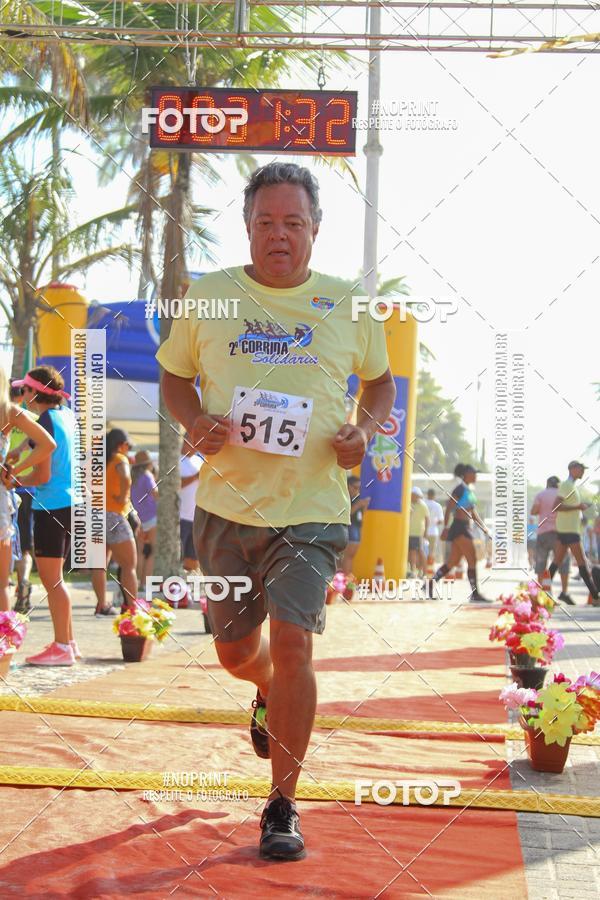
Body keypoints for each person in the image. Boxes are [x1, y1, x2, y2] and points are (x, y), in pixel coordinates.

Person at [157, 162, 395, 861]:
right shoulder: (211, 296)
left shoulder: (349, 304)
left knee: (295, 645)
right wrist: (192, 419)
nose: (279, 235)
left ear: (315, 230)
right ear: (248, 228)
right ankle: (262, 690)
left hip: (313, 509)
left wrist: (366, 430)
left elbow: (378, 387)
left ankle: (282, 804)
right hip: (228, 507)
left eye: (294, 223)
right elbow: (175, 375)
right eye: (266, 222)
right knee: (238, 656)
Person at [7, 367, 80, 664]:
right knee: (57, 580)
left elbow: (44, 473)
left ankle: (62, 646)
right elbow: (48, 442)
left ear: (34, 393)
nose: (21, 395)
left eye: (24, 389)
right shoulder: (65, 415)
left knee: (52, 581)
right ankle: (68, 643)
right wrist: (22, 450)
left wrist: (14, 477)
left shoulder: (47, 419)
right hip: (70, 502)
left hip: (51, 505)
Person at [428, 463, 491, 602]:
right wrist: (445, 527)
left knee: (452, 562)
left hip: (464, 528)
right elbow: (449, 507)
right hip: (459, 527)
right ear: (466, 474)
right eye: (474, 473)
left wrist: (484, 528)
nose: (476, 476)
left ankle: (429, 585)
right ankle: (475, 594)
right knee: (472, 559)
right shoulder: (460, 489)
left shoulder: (468, 490)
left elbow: (473, 513)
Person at [91, 429, 138, 615]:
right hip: (114, 516)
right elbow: (126, 477)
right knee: (129, 565)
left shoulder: (98, 461)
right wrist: (123, 497)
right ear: (121, 444)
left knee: (99, 564)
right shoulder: (119, 459)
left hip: (95, 515)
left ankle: (102, 605)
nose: (129, 450)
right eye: (128, 446)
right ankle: (133, 608)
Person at [547, 461, 599, 605]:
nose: (583, 472)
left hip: (568, 529)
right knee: (582, 561)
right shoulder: (566, 485)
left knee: (556, 563)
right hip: (569, 530)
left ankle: (539, 591)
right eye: (581, 469)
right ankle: (595, 596)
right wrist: (578, 507)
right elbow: (555, 506)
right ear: (573, 469)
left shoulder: (571, 486)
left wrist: (579, 510)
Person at [8, 381, 36, 613]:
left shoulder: (4, 416)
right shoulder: (30, 419)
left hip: (7, 486)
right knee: (25, 545)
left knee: (6, 541)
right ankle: (23, 580)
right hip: (28, 487)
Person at [530, 475, 571, 603]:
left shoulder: (540, 495)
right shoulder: (563, 495)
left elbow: (534, 511)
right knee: (563, 563)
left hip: (543, 533)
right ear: (558, 485)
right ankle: (564, 592)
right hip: (560, 533)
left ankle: (542, 594)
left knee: (541, 564)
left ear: (547, 484)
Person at [131, 450, 158, 585]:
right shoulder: (147, 476)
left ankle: (136, 581)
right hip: (153, 517)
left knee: (140, 552)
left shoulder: (133, 478)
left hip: (140, 519)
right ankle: (145, 583)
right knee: (153, 551)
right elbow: (156, 493)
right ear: (148, 464)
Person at [179, 434, 203, 573]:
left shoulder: (198, 461)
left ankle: (187, 589)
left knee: (193, 559)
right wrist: (195, 477)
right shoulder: (175, 460)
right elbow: (174, 484)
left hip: (195, 518)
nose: (196, 445)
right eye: (194, 441)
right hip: (180, 516)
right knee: (178, 557)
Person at [339, 475, 369, 576]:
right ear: (348, 486)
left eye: (359, 488)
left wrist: (364, 506)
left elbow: (361, 514)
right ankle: (345, 579)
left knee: (351, 555)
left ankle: (348, 579)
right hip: (349, 527)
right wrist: (358, 505)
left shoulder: (358, 498)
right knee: (347, 555)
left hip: (357, 526)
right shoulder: (344, 497)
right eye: (355, 487)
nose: (357, 490)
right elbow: (344, 514)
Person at [408, 486, 429, 577]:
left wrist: (426, 532)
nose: (412, 496)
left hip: (416, 532)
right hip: (408, 532)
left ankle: (418, 571)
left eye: (414, 495)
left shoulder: (422, 505)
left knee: (417, 551)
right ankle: (414, 570)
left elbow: (427, 519)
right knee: (411, 552)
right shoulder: (408, 504)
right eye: (412, 495)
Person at [424, 488, 444, 568]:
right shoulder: (437, 506)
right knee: (431, 552)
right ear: (434, 496)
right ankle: (430, 569)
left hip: (423, 531)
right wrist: (434, 522)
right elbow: (441, 520)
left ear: (427, 494)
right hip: (433, 531)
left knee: (422, 551)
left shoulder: (423, 503)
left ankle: (422, 569)